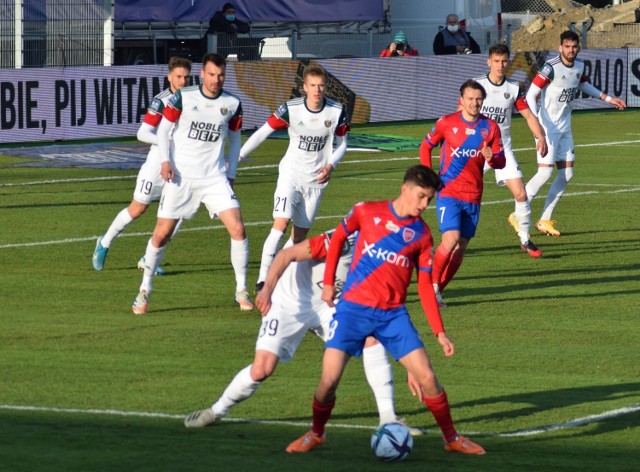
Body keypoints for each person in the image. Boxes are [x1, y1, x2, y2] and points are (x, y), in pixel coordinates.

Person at [286, 165, 486, 456]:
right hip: (352, 311)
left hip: (392, 315)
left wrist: (440, 333)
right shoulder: (366, 211)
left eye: (429, 200)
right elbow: (339, 238)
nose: (423, 205)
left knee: (428, 378)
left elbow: (426, 287)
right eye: (421, 197)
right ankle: (316, 434)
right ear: (405, 189)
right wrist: (328, 282)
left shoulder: (422, 235)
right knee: (328, 382)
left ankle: (452, 438)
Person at [183, 230, 422, 436]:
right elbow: (287, 254)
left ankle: (388, 418)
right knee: (262, 369)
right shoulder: (345, 241)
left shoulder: (388, 264)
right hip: (290, 301)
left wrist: (411, 365)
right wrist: (266, 290)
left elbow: (389, 315)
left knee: (371, 339)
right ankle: (215, 411)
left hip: (329, 305)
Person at [131, 53, 254, 315]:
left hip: (214, 178)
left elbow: (235, 140)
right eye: (211, 74)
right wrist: (165, 162)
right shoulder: (183, 97)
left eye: (221, 75)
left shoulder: (232, 103)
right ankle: (144, 290)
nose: (216, 80)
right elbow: (163, 131)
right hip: (182, 177)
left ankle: (241, 289)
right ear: (202, 74)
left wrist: (231, 173)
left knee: (238, 228)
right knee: (161, 233)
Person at [238, 64, 350, 295]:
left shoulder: (337, 111)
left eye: (321, 86)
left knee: (299, 238)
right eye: (312, 86)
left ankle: (280, 273)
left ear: (326, 87)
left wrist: (331, 165)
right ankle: (262, 281)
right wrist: (238, 156)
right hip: (291, 175)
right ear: (304, 87)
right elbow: (262, 132)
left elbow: (343, 144)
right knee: (280, 224)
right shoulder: (290, 109)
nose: (317, 90)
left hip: (316, 181)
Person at [92, 57, 192, 276]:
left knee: (178, 214)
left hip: (182, 165)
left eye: (186, 76)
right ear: (169, 78)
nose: (183, 81)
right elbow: (143, 133)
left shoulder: (194, 100)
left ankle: (149, 259)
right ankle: (105, 242)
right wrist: (168, 142)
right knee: (137, 209)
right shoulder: (161, 101)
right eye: (179, 77)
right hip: (157, 163)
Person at [524, 30, 626, 237]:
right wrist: (537, 126)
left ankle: (544, 219)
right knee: (544, 173)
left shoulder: (579, 66)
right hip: (547, 129)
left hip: (565, 128)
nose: (571, 50)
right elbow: (531, 94)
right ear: (560, 47)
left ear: (578, 48)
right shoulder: (551, 67)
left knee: (567, 174)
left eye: (574, 46)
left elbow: (583, 84)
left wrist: (609, 99)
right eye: (567, 46)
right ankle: (519, 213)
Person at [420, 80, 505, 308]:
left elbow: (501, 161)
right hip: (448, 191)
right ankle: (432, 288)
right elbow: (425, 146)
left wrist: (491, 158)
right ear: (462, 100)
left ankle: (437, 291)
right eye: (470, 99)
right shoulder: (446, 123)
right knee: (451, 239)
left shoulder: (490, 127)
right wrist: (429, 175)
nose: (474, 103)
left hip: (473, 195)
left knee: (461, 247)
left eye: (478, 99)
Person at [472, 43, 548, 258]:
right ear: (489, 62)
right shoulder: (477, 85)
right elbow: (461, 114)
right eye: (496, 61)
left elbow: (529, 116)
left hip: (502, 150)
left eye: (504, 61)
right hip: (477, 151)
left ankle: (525, 239)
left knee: (521, 193)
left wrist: (540, 136)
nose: (500, 65)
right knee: (456, 191)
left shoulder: (514, 88)